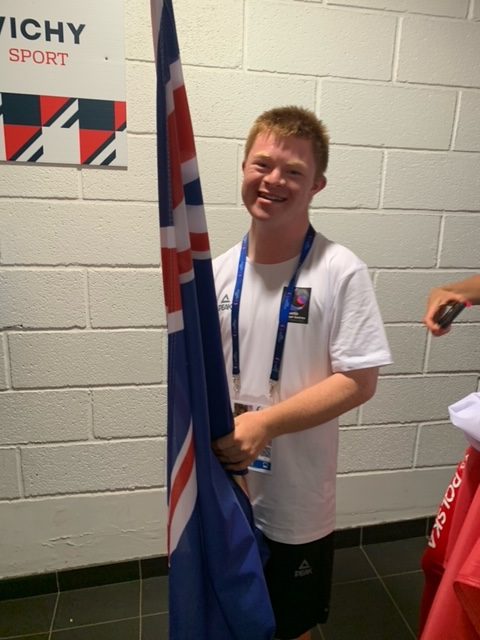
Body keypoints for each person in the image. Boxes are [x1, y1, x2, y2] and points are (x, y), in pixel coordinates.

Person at [212, 106, 392, 640]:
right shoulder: (216, 271)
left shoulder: (340, 271)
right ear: (243, 167)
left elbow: (359, 381)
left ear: (317, 185)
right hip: (226, 483)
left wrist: (265, 424)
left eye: (294, 171)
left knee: (292, 626)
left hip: (297, 499)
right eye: (262, 164)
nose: (273, 180)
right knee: (233, 613)